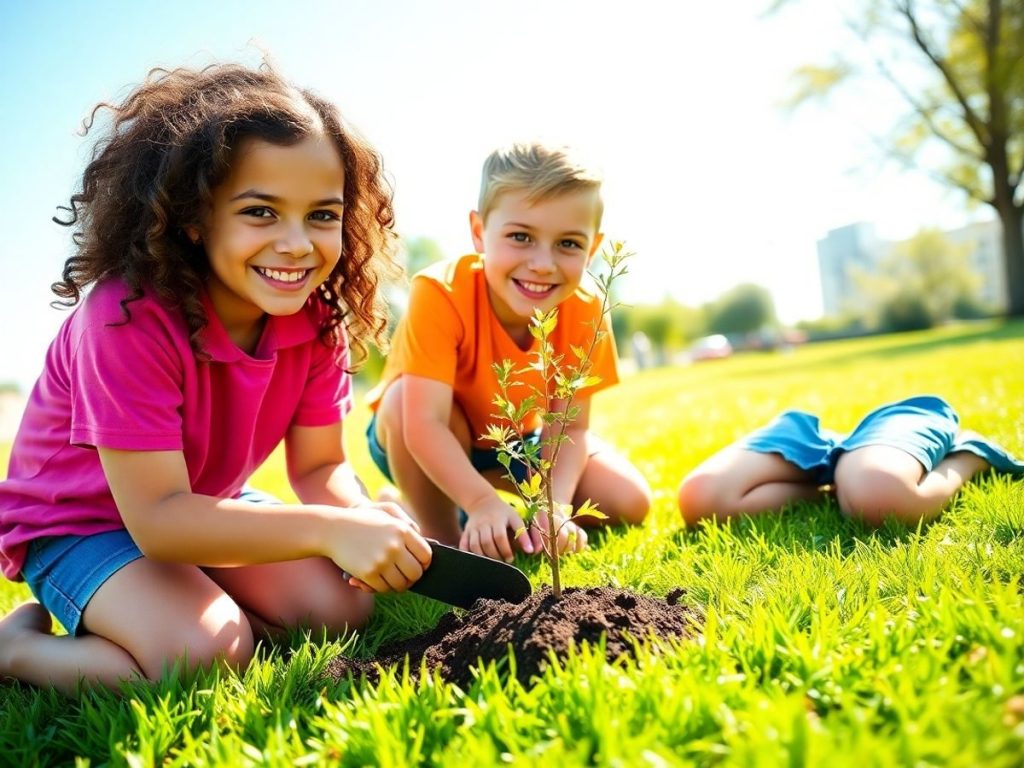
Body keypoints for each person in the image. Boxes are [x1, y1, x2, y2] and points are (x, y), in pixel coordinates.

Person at [0, 63, 433, 694]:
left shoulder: (316, 322)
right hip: (85, 523)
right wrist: (328, 530)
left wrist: (364, 516)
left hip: (200, 504)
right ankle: (16, 649)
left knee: (340, 609)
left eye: (321, 215)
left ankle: (178, 605)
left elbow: (317, 470)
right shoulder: (125, 320)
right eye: (261, 211)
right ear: (194, 217)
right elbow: (157, 519)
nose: (295, 244)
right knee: (203, 656)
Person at [365, 141, 651, 564]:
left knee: (629, 499)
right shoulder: (440, 291)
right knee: (405, 397)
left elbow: (570, 428)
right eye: (520, 237)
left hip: (517, 444)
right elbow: (423, 425)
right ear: (479, 233)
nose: (542, 264)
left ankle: (469, 507)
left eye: (568, 244)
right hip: (424, 437)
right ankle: (441, 528)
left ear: (592, 248)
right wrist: (481, 502)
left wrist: (553, 507)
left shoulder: (588, 306)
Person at [677, 395, 1024, 527]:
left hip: (900, 420)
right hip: (806, 436)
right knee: (700, 498)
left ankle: (969, 454)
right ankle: (845, 480)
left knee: (879, 501)